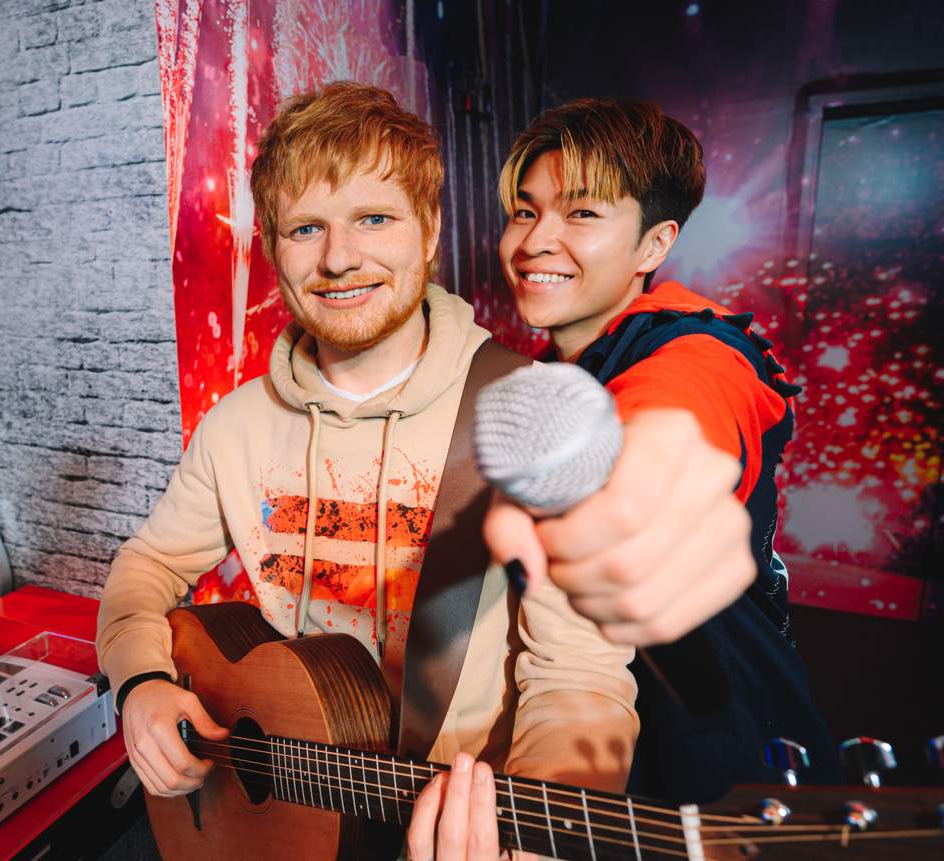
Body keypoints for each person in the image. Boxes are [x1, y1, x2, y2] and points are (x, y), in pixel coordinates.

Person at [96, 84, 753, 859]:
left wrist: (531, 834)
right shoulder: (235, 424)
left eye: (373, 218)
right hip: (277, 817)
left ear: (430, 228)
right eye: (306, 228)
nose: (339, 258)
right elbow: (146, 566)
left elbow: (579, 683)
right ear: (274, 247)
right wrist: (139, 685)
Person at [419, 97, 840, 860]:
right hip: (580, 739)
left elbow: (674, 419)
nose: (534, 240)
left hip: (713, 757)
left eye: (580, 213)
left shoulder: (702, 350)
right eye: (524, 209)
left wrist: (634, 483)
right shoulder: (535, 372)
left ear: (654, 241)